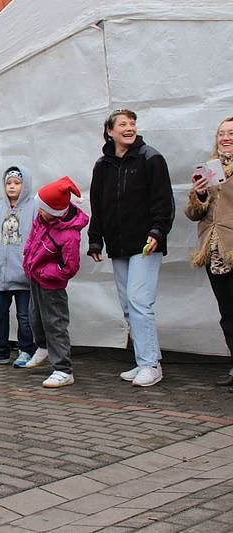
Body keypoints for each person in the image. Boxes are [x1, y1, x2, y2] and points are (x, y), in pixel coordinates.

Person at [87, 109, 175, 387]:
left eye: (132, 123)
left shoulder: (150, 158)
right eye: (122, 124)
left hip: (145, 243)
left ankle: (150, 365)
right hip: (119, 244)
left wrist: (158, 232)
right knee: (128, 306)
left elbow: (164, 199)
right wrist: (94, 238)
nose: (129, 128)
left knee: (139, 302)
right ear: (109, 131)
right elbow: (98, 205)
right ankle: (144, 360)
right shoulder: (102, 165)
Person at [22, 177, 88, 387]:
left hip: (52, 285)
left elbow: (70, 267)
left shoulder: (69, 235)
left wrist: (47, 271)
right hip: (36, 279)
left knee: (55, 324)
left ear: (57, 210)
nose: (39, 212)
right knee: (35, 317)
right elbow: (32, 241)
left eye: (43, 208)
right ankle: (42, 347)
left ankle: (63, 369)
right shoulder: (42, 220)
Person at [185, 116, 233, 391]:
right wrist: (200, 194)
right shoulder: (210, 169)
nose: (225, 138)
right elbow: (192, 214)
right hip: (213, 251)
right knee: (227, 313)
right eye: (221, 134)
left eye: (230, 133)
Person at [0, 166, 37, 368]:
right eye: (8, 183)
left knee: (25, 317)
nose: (12, 187)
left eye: (17, 183)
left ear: (25, 185)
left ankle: (27, 350)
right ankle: (0, 351)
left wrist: (32, 262)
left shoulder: (34, 208)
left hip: (24, 276)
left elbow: (40, 235)